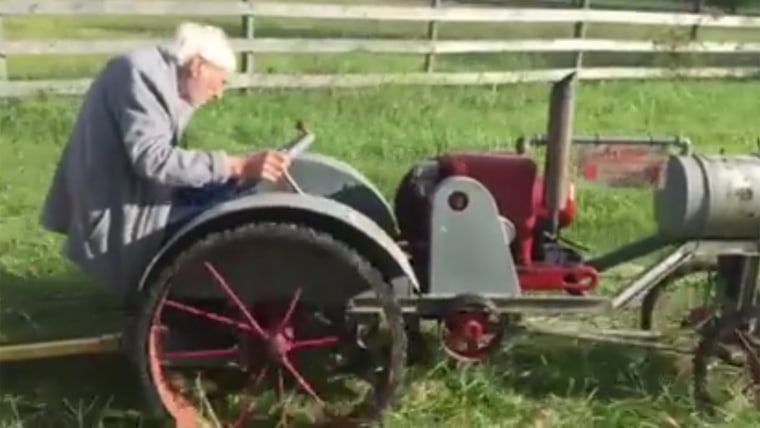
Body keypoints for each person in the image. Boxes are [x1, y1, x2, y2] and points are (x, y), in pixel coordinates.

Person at [39, 22, 290, 306]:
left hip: (137, 190)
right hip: (117, 206)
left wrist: (233, 172)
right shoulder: (140, 77)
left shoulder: (163, 76)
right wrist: (235, 166)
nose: (219, 93)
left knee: (233, 192)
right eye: (219, 82)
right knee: (233, 216)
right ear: (198, 66)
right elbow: (152, 159)